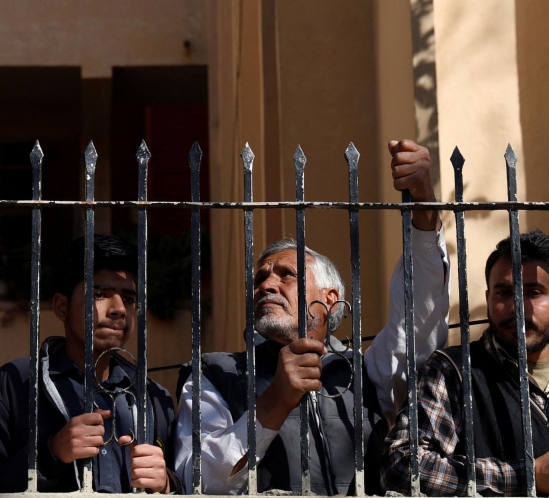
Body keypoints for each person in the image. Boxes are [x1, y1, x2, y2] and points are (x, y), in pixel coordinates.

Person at [173, 139, 452, 495]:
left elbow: (420, 321)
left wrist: (425, 205)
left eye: (285, 275)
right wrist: (276, 399)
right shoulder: (213, 373)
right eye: (261, 278)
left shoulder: (366, 372)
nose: (267, 285)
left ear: (330, 299)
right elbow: (195, 481)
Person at [382, 229, 549, 497]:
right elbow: (402, 468)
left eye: (534, 292)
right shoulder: (454, 371)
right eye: (504, 293)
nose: (517, 306)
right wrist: (529, 476)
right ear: (489, 299)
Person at [0, 235, 179, 493]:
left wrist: (167, 484)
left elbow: (190, 484)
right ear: (61, 307)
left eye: (129, 299)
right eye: (100, 294)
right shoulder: (15, 384)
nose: (119, 308)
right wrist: (51, 455)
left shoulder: (153, 398)